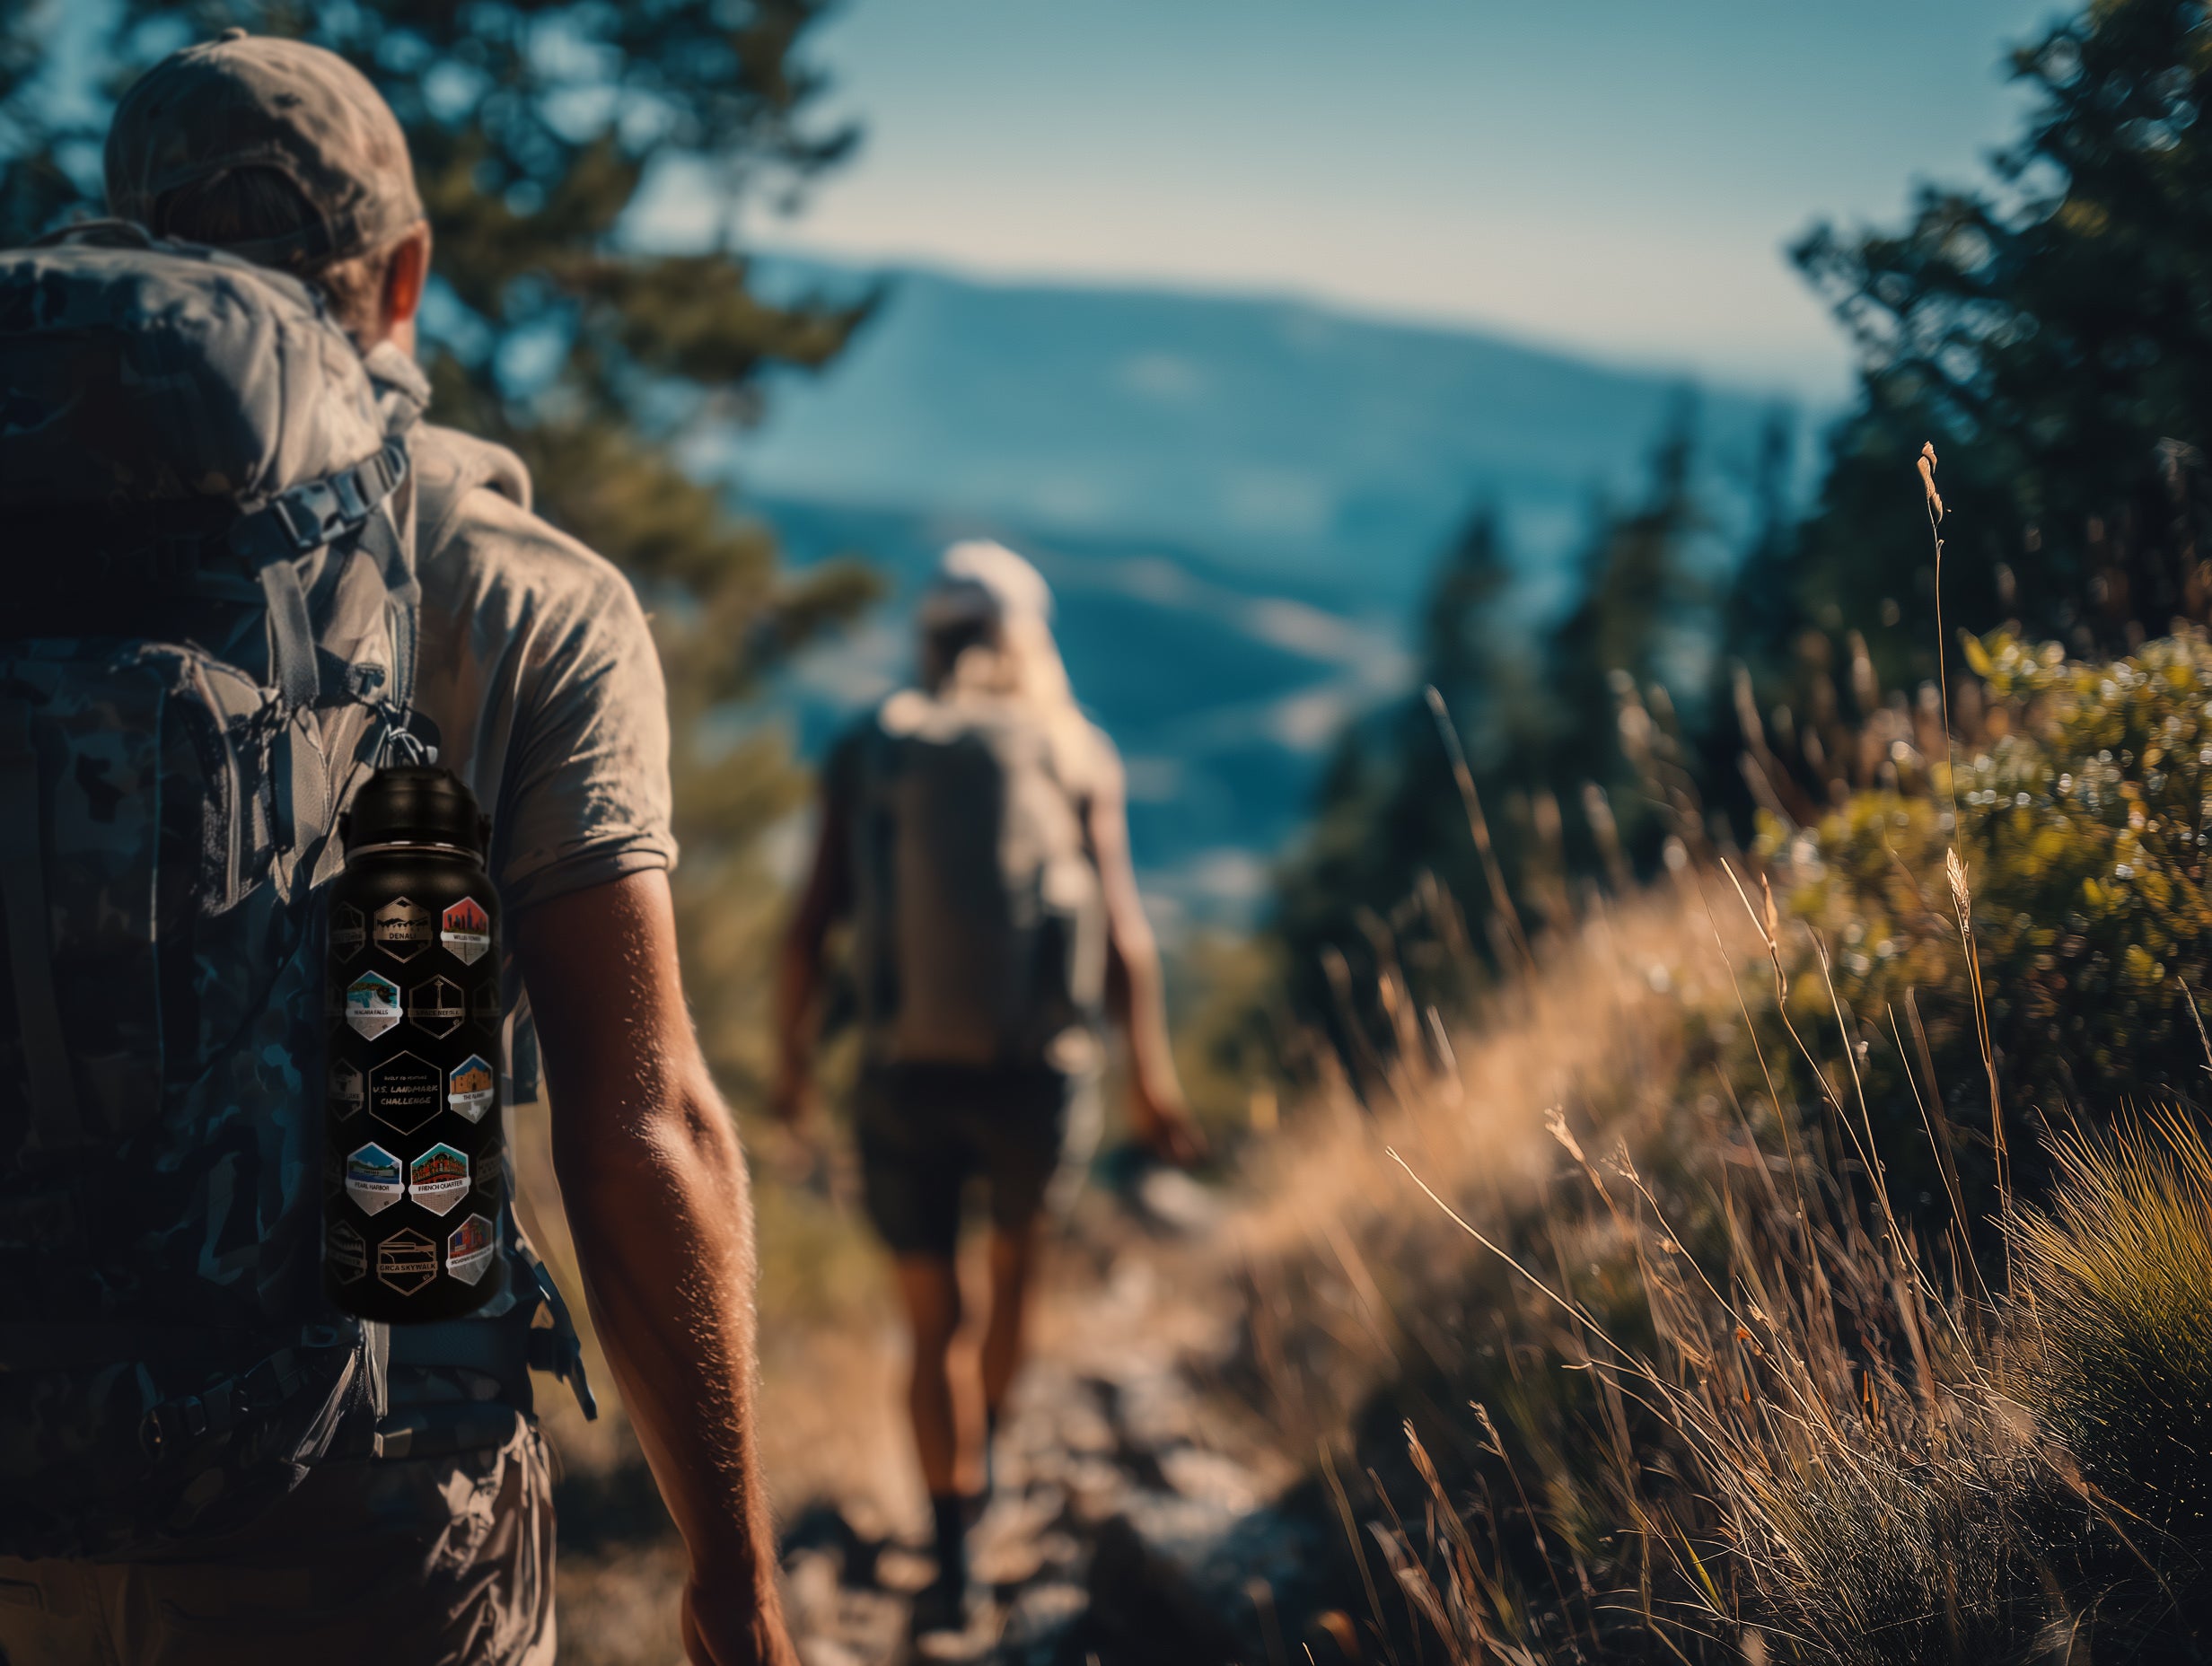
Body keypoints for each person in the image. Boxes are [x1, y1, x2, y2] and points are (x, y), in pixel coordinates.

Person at [0, 32, 795, 1666]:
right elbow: (640, 1129)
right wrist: (736, 1588)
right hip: (361, 1494)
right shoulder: (523, 591)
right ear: (405, 274)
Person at [774, 540, 1204, 1631]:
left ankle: (951, 1541)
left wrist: (792, 1075)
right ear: (1031, 639)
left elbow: (808, 928)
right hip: (1034, 1079)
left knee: (932, 1325)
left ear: (929, 639)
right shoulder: (1071, 747)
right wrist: (1153, 1081)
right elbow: (1125, 939)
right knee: (1011, 1288)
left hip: (898, 1075)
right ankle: (992, 1449)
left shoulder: (872, 745)